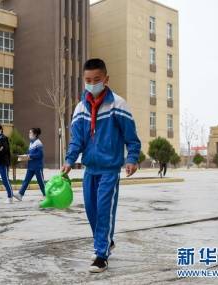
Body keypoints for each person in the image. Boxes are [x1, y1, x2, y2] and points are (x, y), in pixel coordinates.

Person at [61, 58, 141, 273]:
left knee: (104, 210)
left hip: (109, 170)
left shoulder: (118, 105)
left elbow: (131, 138)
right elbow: (76, 140)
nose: (92, 83)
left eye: (97, 79)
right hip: (90, 170)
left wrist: (132, 159)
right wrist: (69, 160)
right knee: (92, 212)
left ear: (106, 79)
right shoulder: (80, 109)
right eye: (88, 80)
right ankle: (106, 241)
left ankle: (101, 255)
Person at [13, 128, 45, 201]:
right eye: (29, 133)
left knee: (41, 181)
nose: (29, 134)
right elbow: (29, 153)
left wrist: (30, 156)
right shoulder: (31, 143)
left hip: (37, 166)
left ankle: (46, 195)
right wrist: (24, 156)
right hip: (31, 166)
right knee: (26, 180)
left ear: (35, 134)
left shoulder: (38, 143)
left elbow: (40, 155)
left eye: (30, 133)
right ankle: (20, 194)